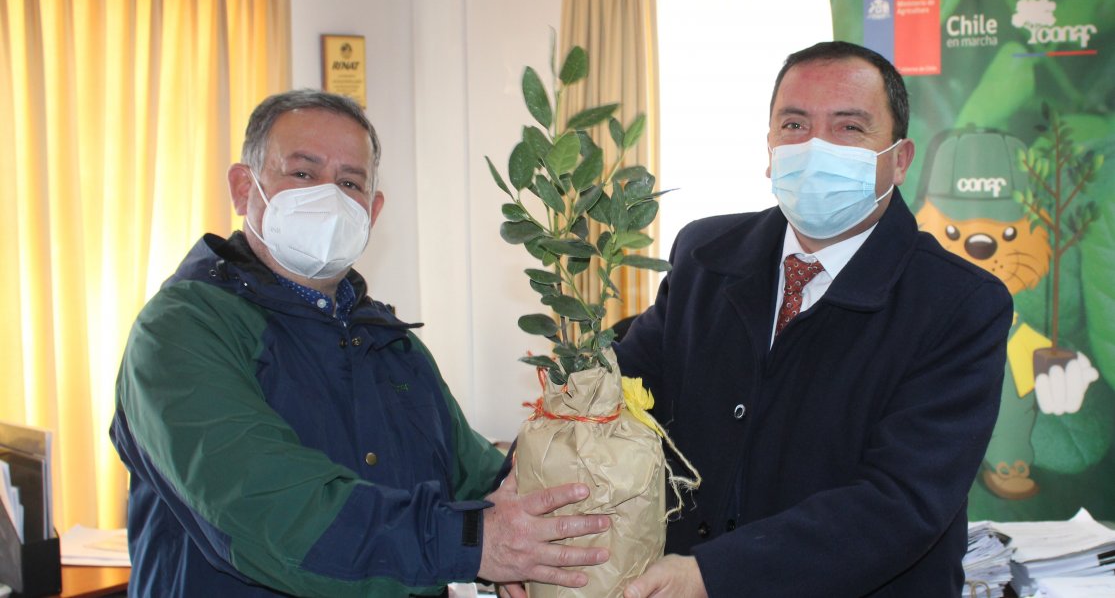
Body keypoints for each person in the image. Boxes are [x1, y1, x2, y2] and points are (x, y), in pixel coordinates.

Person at [110, 89, 610, 597]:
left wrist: (563, 501)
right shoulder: (183, 330)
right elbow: (273, 513)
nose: (328, 195)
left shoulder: (389, 344)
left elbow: (478, 476)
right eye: (303, 173)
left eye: (349, 182)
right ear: (244, 188)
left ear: (371, 212)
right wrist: (476, 542)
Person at [617, 42, 1012, 597]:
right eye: (795, 124)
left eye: (849, 128)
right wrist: (527, 522)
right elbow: (616, 398)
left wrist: (715, 574)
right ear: (771, 148)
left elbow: (901, 501)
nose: (816, 146)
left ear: (899, 160)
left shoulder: (957, 303)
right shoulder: (704, 256)